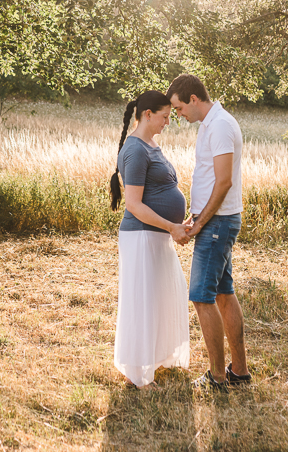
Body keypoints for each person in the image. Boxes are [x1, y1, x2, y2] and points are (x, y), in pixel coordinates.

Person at [167, 74, 251, 392]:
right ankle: (239, 371)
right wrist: (194, 216)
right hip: (213, 220)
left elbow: (224, 181)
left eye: (177, 108)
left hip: (217, 224)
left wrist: (201, 224)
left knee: (201, 297)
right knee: (223, 294)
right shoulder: (210, 124)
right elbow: (208, 178)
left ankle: (217, 377)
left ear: (192, 99)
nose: (177, 115)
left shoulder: (220, 126)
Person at [109, 90, 193, 388]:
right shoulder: (135, 150)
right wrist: (171, 227)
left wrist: (177, 223)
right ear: (147, 115)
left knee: (161, 297)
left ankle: (158, 358)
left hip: (157, 236)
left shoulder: (151, 145)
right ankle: (137, 370)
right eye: (165, 117)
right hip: (142, 237)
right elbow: (134, 204)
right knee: (143, 301)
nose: (168, 122)